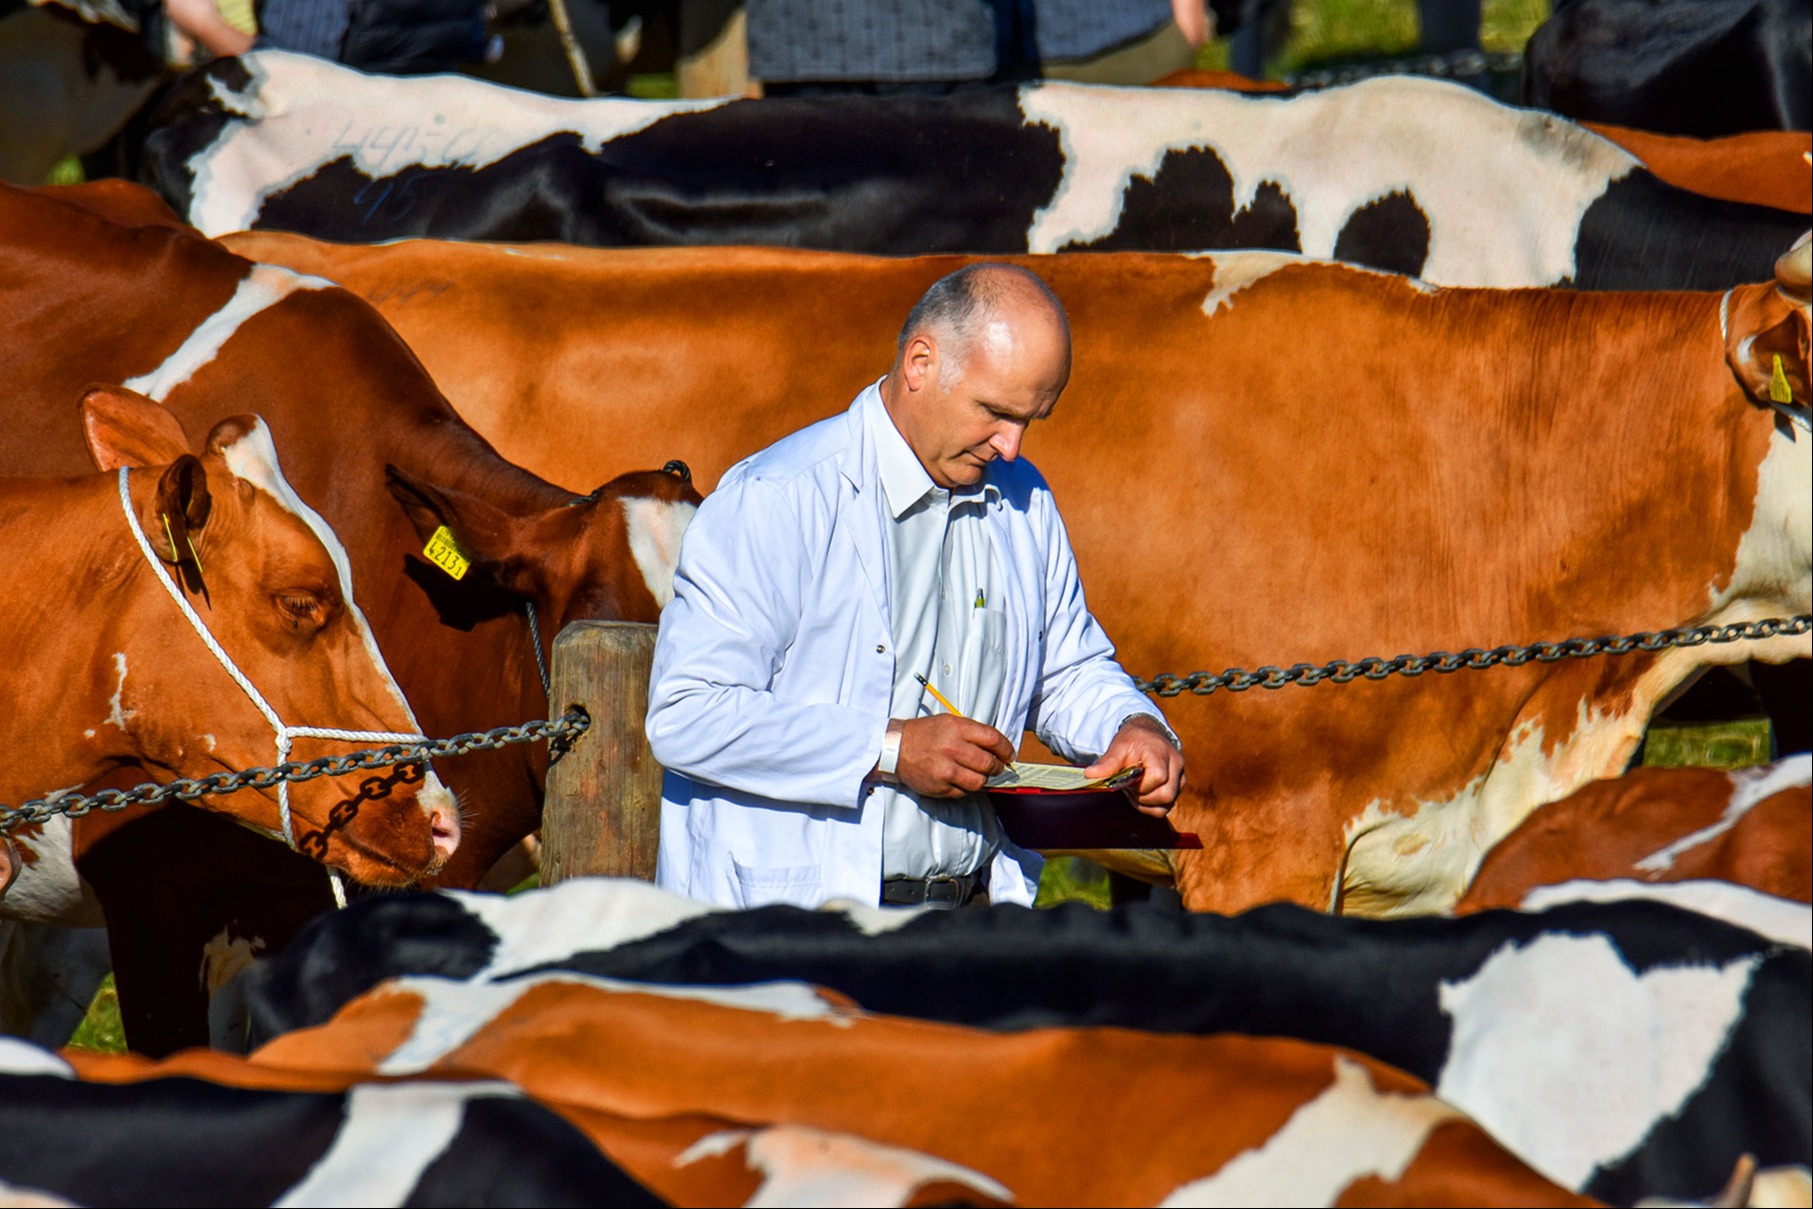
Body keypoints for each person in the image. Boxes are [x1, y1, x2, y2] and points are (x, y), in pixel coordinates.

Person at [646, 263, 1185, 911]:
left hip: (975, 922)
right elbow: (687, 715)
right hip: (793, 936)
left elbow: (1067, 667)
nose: (1011, 446)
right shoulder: (778, 496)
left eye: (1030, 421)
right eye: (994, 412)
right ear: (920, 363)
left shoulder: (1023, 500)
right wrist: (890, 749)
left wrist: (1131, 724)